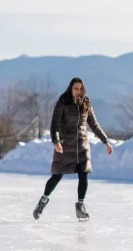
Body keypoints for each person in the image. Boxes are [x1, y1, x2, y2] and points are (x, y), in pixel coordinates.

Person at [33, 78, 113, 221]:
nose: (78, 91)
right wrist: (56, 141)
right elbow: (55, 124)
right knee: (57, 175)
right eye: (76, 88)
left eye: (80, 89)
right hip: (65, 146)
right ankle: (43, 201)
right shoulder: (63, 102)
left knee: (84, 174)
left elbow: (94, 125)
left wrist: (105, 141)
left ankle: (80, 206)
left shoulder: (86, 103)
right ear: (71, 88)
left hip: (82, 146)